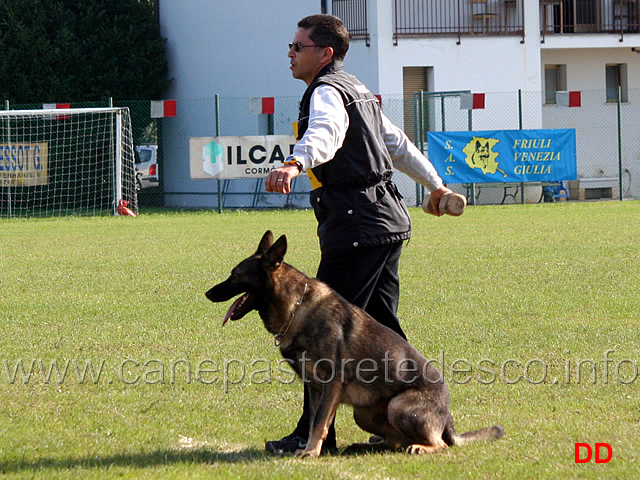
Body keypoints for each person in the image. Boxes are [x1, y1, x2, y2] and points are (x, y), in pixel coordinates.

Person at [264, 14, 453, 455]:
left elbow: (325, 135)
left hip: (357, 226)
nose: (290, 54)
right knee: (383, 331)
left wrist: (294, 163)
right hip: (386, 222)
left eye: (297, 47)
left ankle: (312, 438)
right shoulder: (360, 90)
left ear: (324, 53)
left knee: (321, 333)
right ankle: (419, 419)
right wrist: (435, 184)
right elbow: (398, 144)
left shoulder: (328, 91)